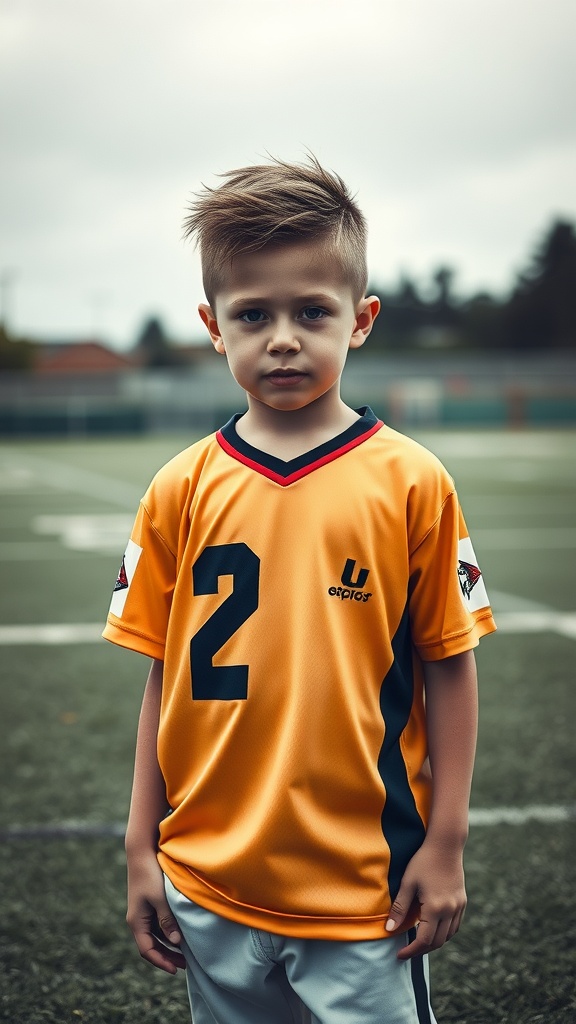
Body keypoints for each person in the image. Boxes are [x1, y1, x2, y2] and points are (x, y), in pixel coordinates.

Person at [103, 154, 496, 1024]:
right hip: (208, 878)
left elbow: (451, 666)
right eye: (254, 315)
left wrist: (447, 842)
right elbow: (163, 678)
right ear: (214, 325)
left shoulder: (410, 480)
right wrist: (142, 846)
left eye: (311, 311)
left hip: (363, 895)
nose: (282, 337)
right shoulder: (180, 487)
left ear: (361, 320)